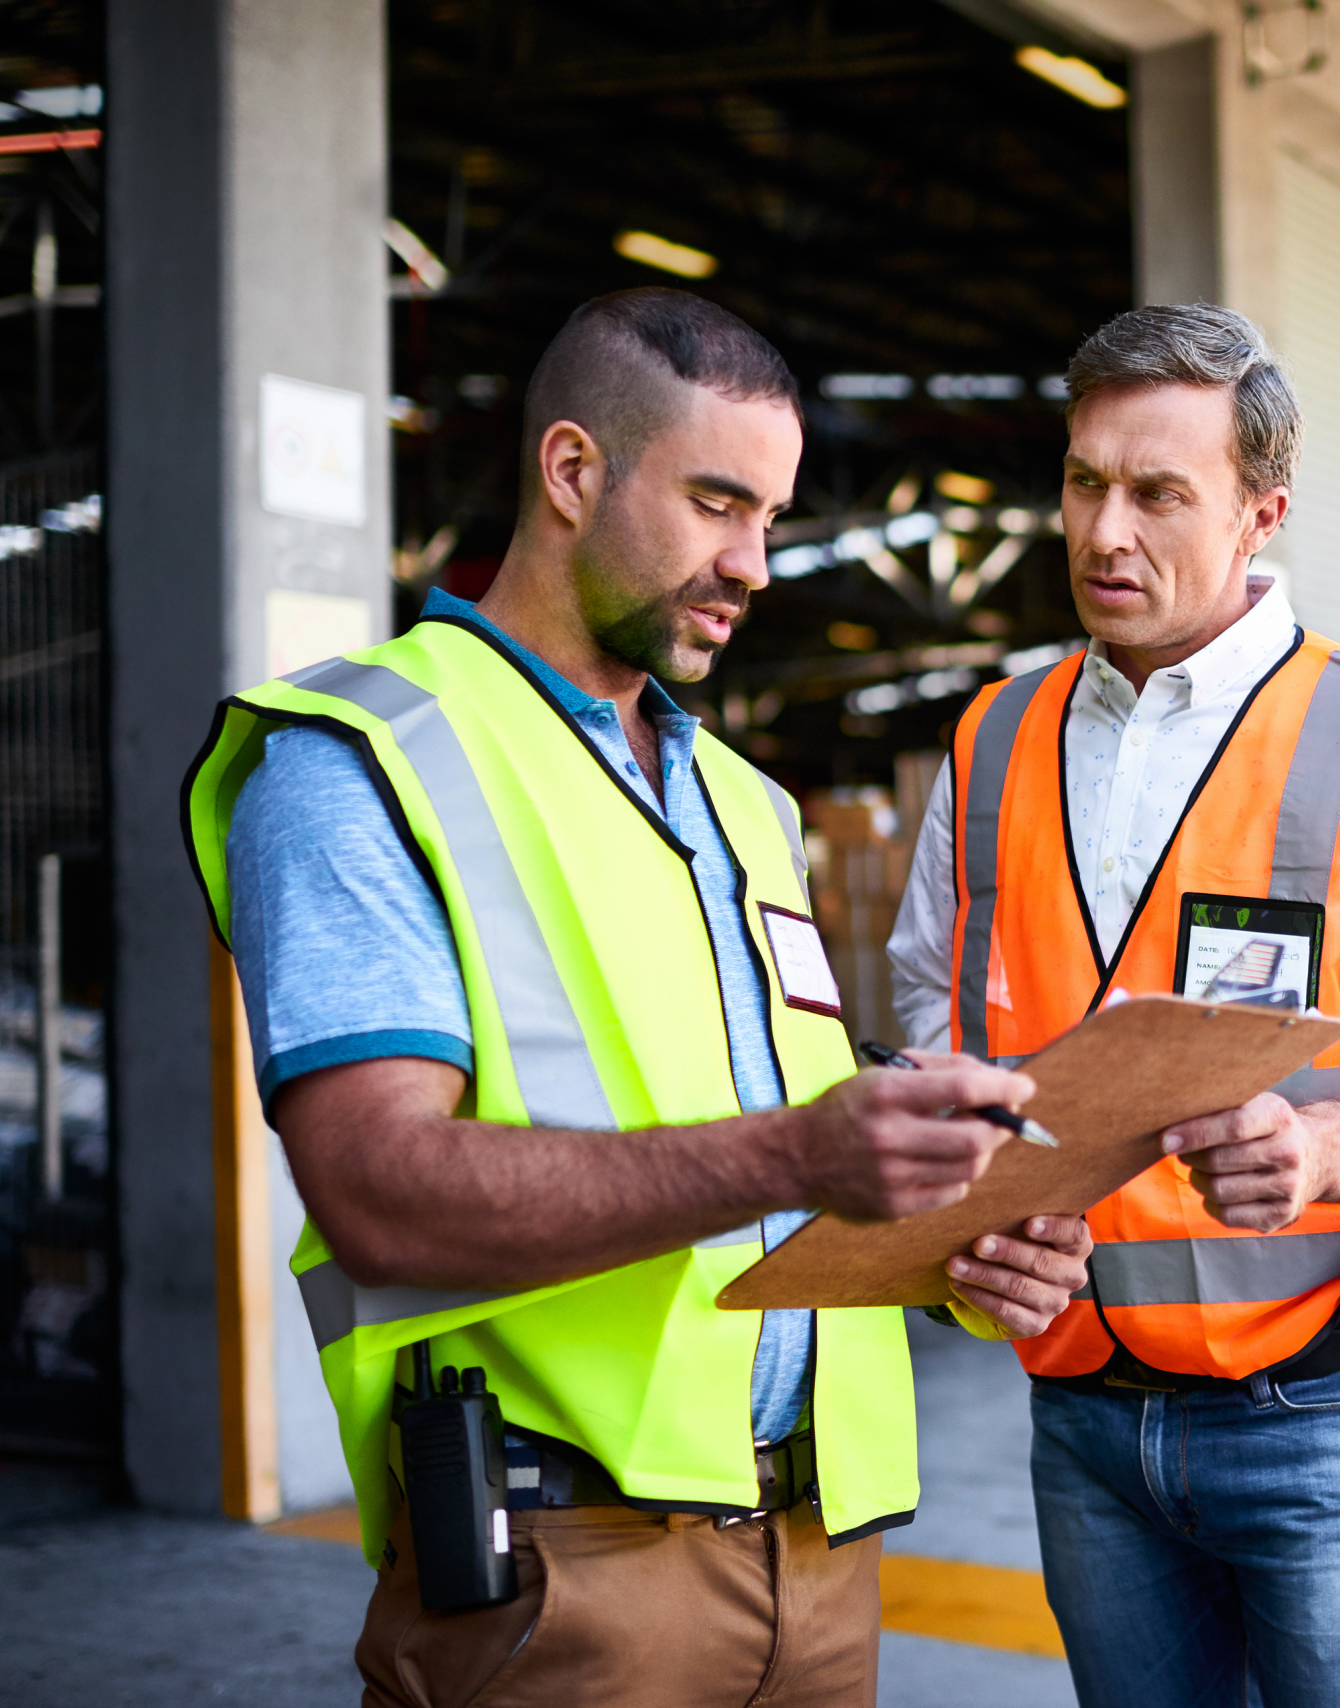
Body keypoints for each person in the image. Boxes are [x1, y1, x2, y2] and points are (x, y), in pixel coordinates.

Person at [182, 287, 1090, 1708]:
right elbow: (378, 1190)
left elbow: (766, 1164)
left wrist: (951, 1243)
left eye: (774, 518)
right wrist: (804, 1151)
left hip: (819, 1562)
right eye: (718, 503)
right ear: (570, 472)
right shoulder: (357, 760)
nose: (758, 563)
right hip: (560, 1577)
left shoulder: (743, 803)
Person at [889, 304, 1340, 1708]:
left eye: (1157, 494)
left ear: (1263, 511)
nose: (1103, 532)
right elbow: (936, 1019)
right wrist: (970, 1237)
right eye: (1083, 483)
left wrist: (1332, 1153)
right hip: (1080, 1414)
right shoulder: (989, 740)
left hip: (1322, 1416)